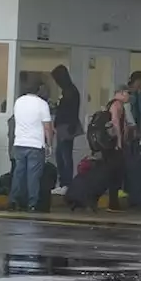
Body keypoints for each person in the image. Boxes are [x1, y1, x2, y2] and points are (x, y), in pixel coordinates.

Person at [10, 80, 53, 212]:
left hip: (19, 143)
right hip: (35, 144)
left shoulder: (18, 102)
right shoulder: (42, 104)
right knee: (33, 176)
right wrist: (49, 144)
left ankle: (14, 201)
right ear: (38, 89)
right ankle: (32, 203)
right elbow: (47, 127)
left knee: (19, 174)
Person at [49, 65, 82, 195]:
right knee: (61, 155)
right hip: (64, 126)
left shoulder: (70, 91)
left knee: (64, 156)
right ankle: (63, 183)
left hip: (66, 126)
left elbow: (70, 111)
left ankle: (66, 183)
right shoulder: (69, 90)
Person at [126, 71, 141, 152]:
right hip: (129, 129)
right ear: (137, 81)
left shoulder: (140, 95)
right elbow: (127, 110)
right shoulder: (128, 94)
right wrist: (133, 126)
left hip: (136, 129)